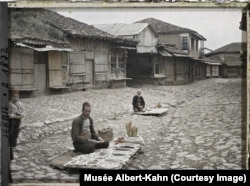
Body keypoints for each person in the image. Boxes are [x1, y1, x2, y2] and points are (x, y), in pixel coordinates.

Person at [8, 89, 26, 160]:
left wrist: (20, 115)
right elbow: (9, 114)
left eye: (17, 97)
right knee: (11, 134)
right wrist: (15, 116)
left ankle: (13, 146)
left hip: (18, 121)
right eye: (14, 97)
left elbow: (24, 112)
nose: (15, 98)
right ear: (11, 97)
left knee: (16, 133)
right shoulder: (9, 104)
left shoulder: (20, 104)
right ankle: (10, 149)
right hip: (12, 121)